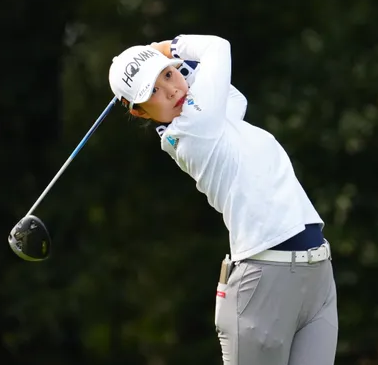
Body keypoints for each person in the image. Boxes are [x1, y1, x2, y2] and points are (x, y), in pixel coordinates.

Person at [108, 34, 338, 365]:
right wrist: (166, 48)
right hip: (263, 283)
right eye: (153, 91)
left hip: (316, 275)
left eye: (169, 74)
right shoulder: (193, 130)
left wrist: (175, 66)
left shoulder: (214, 119)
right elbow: (218, 48)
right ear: (140, 112)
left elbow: (233, 96)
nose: (171, 90)